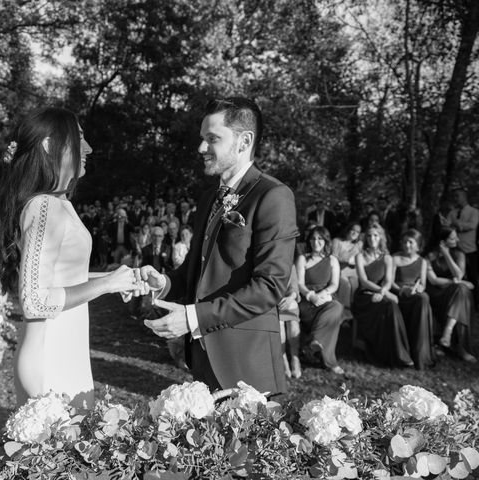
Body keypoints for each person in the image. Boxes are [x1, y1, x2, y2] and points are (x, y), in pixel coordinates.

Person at [141, 97, 298, 395]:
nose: (201, 148)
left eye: (212, 139)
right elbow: (195, 271)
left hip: (248, 366)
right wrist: (163, 283)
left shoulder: (273, 196)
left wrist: (192, 318)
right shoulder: (207, 199)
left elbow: (269, 286)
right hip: (202, 361)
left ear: (244, 141)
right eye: (202, 139)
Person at [0, 106, 140, 409]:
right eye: (79, 138)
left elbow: (63, 278)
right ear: (49, 145)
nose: (87, 148)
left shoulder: (59, 203)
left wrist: (118, 277)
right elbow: (34, 301)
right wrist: (106, 285)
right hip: (50, 361)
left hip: (68, 353)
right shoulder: (44, 206)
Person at [352, 223, 413, 367]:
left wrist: (383, 293)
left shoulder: (387, 258)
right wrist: (381, 292)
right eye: (369, 235)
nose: (372, 238)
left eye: (375, 235)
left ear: (381, 238)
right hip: (363, 296)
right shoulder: (359, 256)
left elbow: (388, 281)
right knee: (389, 304)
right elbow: (364, 281)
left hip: (382, 294)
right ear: (365, 238)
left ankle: (399, 353)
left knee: (389, 306)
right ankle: (384, 353)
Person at [296, 226, 345, 374]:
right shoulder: (302, 258)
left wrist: (322, 295)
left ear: (325, 241)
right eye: (313, 238)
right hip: (307, 299)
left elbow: (334, 284)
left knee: (336, 308)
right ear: (309, 241)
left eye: (320, 238)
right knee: (329, 318)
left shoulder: (332, 260)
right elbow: (299, 283)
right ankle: (329, 361)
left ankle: (315, 342)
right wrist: (311, 296)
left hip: (326, 298)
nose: (316, 242)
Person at [425, 226, 476, 362]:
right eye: (453, 238)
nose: (457, 239)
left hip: (455, 293)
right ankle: (459, 347)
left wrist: (447, 254)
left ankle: (447, 333)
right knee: (462, 290)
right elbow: (433, 280)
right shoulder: (430, 256)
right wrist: (460, 283)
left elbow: (459, 274)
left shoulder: (459, 254)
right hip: (437, 293)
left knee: (461, 293)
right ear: (442, 241)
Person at [391, 229, 436, 369]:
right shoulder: (395, 258)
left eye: (411, 242)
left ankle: (420, 354)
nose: (407, 245)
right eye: (404, 242)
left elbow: (423, 284)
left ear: (418, 245)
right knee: (422, 299)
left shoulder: (422, 262)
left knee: (423, 298)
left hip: (415, 295)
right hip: (398, 294)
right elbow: (390, 282)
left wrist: (417, 289)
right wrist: (403, 290)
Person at [446, 187, 479, 302]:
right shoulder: (452, 212)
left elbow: (472, 226)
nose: (455, 198)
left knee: (473, 277)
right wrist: (459, 226)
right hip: (454, 251)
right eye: (454, 196)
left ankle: (475, 303)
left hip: (470, 250)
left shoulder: (474, 212)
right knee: (456, 277)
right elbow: (447, 227)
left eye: (457, 196)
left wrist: (457, 224)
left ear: (464, 197)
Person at [278, 267, 301, 378]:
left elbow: (294, 287)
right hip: (273, 303)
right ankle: (283, 360)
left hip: (288, 300)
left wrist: (290, 297)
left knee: (293, 325)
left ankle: (295, 358)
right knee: (279, 325)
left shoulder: (290, 265)